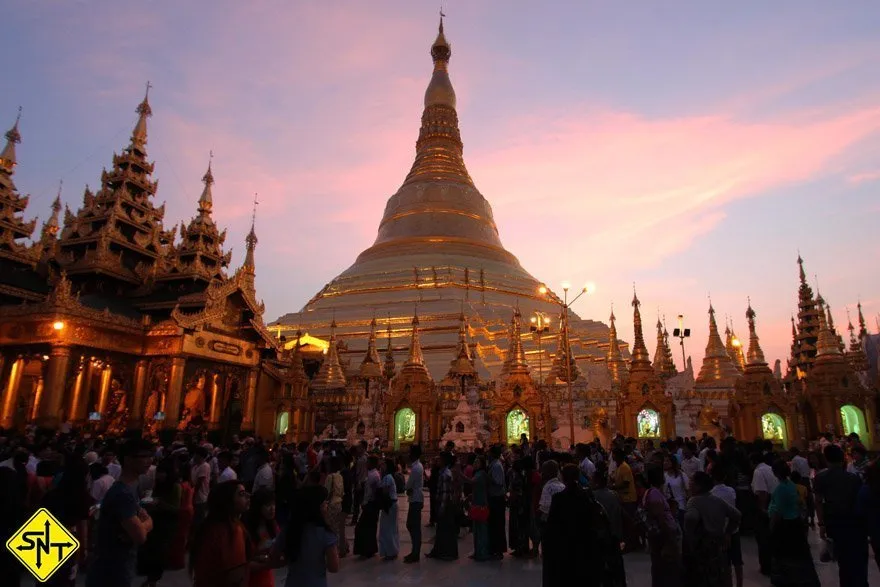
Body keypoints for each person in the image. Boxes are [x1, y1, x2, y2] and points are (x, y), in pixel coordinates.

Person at [86, 438, 155, 587]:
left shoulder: (131, 488)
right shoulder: (122, 493)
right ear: (128, 460)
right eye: (144, 456)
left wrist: (142, 525)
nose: (149, 461)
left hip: (120, 565)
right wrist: (148, 522)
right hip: (110, 570)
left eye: (151, 456)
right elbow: (140, 536)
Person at [544, 464, 625, 587]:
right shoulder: (587, 497)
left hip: (565, 549)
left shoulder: (559, 499)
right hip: (586, 548)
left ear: (563, 478)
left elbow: (552, 527)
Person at [814, 443, 867, 587]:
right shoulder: (853, 478)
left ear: (826, 459)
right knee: (857, 558)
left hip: (834, 521)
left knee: (842, 559)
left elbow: (818, 502)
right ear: (843, 459)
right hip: (855, 522)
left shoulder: (820, 478)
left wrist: (821, 524)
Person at [270, 485, 339, 587]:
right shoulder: (325, 534)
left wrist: (288, 560)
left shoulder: (289, 530)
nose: (327, 506)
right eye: (324, 503)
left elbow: (273, 557)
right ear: (317, 507)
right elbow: (334, 568)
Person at [766, 460, 820, 587]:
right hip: (795, 523)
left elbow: (777, 512)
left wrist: (771, 528)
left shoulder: (780, 489)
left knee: (785, 559)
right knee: (799, 557)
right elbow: (800, 504)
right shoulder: (791, 485)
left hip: (785, 526)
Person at [189, 480, 252, 587]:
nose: (248, 496)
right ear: (227, 501)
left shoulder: (211, 526)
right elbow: (234, 575)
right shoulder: (231, 530)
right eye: (241, 494)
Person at [683, 471, 740, 587]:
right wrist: (728, 532)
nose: (689, 483)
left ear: (698, 485)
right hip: (718, 547)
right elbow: (737, 515)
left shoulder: (693, 501)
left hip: (702, 549)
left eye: (691, 481)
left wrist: (689, 534)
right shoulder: (717, 500)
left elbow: (691, 518)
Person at [42, 456, 91, 587]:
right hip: (69, 539)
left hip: (46, 538)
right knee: (66, 579)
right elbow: (82, 526)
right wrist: (83, 551)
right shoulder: (82, 497)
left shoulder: (52, 494)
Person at [136, 457, 181, 587]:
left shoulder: (175, 487)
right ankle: (151, 579)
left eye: (162, 473)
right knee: (151, 550)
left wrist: (159, 503)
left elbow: (176, 509)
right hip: (156, 520)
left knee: (160, 552)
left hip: (167, 523)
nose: (159, 475)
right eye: (158, 473)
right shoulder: (158, 484)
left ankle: (152, 580)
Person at [643, 464, 682, 587]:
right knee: (664, 569)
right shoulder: (654, 494)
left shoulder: (655, 492)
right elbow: (661, 519)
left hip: (662, 536)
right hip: (662, 537)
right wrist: (669, 541)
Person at [710, 464, 742, 587]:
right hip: (733, 529)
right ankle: (739, 584)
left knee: (725, 562)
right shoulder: (731, 491)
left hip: (720, 531)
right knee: (737, 561)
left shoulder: (711, 494)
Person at [427, 451, 458, 561]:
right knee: (442, 529)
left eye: (439, 459)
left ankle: (447, 552)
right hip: (443, 503)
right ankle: (440, 551)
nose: (437, 461)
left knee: (445, 528)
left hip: (445, 504)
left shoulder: (445, 474)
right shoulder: (444, 472)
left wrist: (442, 507)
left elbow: (445, 492)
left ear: (444, 461)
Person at [244, 488, 279, 587]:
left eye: (274, 504)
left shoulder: (273, 526)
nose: (272, 508)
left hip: (267, 579)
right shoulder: (247, 529)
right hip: (250, 580)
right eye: (268, 505)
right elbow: (243, 562)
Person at [751, 451, 778, 576]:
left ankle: (767, 566)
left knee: (763, 538)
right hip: (775, 504)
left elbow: (762, 493)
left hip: (766, 505)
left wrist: (762, 509)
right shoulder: (770, 469)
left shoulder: (758, 472)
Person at [167, 458, 194, 570]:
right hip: (188, 509)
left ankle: (177, 562)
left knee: (178, 538)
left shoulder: (181, 485)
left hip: (182, 511)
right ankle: (178, 560)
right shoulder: (189, 483)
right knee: (182, 537)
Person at [610, 448, 639, 552]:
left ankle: (632, 544)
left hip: (628, 499)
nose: (612, 457)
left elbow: (625, 483)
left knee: (629, 523)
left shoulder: (624, 467)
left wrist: (613, 487)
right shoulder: (619, 467)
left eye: (613, 455)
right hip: (623, 498)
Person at [352, 455, 380, 559]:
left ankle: (367, 550)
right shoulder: (372, 474)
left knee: (363, 527)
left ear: (372, 463)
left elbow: (371, 492)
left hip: (370, 504)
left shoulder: (374, 475)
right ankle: (369, 549)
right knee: (369, 527)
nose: (366, 464)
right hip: (370, 504)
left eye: (367, 463)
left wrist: (365, 502)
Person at [463, 455, 490, 561]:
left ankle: (482, 552)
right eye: (474, 461)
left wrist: (459, 474)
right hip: (476, 503)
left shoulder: (481, 474)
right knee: (477, 530)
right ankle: (478, 551)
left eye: (477, 462)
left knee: (481, 530)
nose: (475, 463)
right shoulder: (478, 473)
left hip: (481, 504)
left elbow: (471, 481)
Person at [403, 444, 424, 563]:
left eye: (410, 452)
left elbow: (409, 485)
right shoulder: (417, 466)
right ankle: (414, 551)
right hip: (415, 498)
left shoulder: (416, 468)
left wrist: (407, 488)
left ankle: (415, 552)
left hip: (416, 499)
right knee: (412, 525)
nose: (408, 454)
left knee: (413, 526)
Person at [592, 470, 623, 548]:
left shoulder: (593, 496)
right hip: (615, 533)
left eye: (592, 479)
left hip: (603, 534)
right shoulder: (615, 494)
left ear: (597, 481)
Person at [324, 456, 348, 558]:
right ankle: (341, 547)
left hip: (331, 504)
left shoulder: (330, 477)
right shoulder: (340, 476)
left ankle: (334, 550)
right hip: (339, 503)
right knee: (337, 528)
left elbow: (326, 492)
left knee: (330, 528)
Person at [486, 445, 507, 558]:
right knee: (493, 524)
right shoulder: (493, 464)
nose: (488, 454)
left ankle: (498, 550)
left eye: (489, 452)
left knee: (497, 524)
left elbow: (498, 482)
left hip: (497, 497)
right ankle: (494, 548)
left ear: (493, 454)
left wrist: (486, 478)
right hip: (494, 496)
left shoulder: (497, 466)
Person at [378, 457, 400, 561]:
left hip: (389, 505)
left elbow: (385, 493)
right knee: (391, 528)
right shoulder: (390, 477)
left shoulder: (387, 478)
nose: (381, 466)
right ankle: (392, 550)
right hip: (392, 504)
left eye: (383, 464)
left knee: (387, 529)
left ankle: (390, 551)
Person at [190, 447, 211, 526]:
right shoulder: (195, 466)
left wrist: (193, 495)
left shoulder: (205, 466)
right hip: (194, 496)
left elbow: (199, 483)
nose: (194, 456)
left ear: (200, 456)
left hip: (201, 497)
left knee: (199, 520)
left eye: (195, 454)